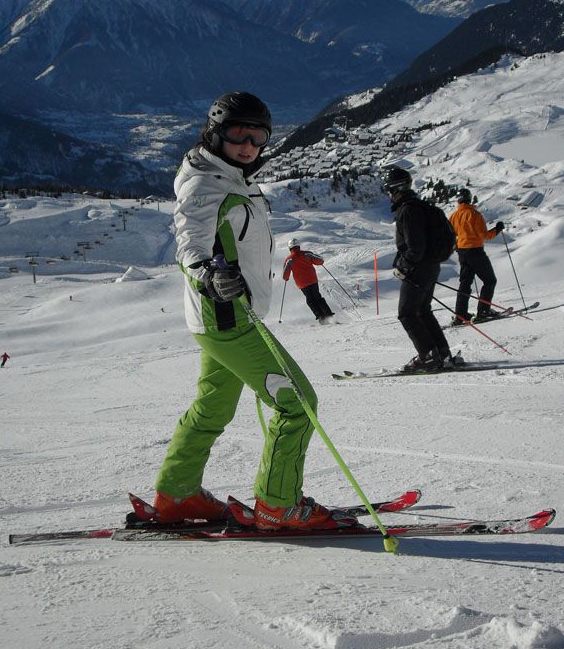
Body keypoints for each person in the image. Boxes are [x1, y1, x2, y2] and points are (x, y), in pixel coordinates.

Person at [144, 92, 355, 532]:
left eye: (257, 137)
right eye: (238, 134)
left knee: (211, 409)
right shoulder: (206, 183)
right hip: (227, 317)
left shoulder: (232, 176)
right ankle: (278, 504)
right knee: (297, 404)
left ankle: (177, 494)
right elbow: (189, 243)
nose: (248, 145)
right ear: (216, 132)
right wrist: (206, 274)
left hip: (219, 318)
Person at [385, 167, 459, 372]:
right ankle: (441, 352)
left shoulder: (408, 210)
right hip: (430, 265)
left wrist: (404, 266)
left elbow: (415, 247)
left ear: (395, 189)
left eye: (388, 190)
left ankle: (427, 355)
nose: (388, 195)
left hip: (419, 267)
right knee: (422, 310)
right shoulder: (418, 206)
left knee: (407, 313)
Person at [449, 188, 504, 324]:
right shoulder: (474, 214)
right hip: (475, 251)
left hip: (462, 252)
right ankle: (483, 312)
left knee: (465, 283)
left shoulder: (454, 216)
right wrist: (497, 229)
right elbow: (483, 235)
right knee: (490, 280)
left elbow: (451, 234)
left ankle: (460, 315)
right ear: (469, 198)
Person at [282, 239, 335, 324]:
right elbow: (320, 261)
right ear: (298, 246)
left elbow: (285, 276)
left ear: (289, 248)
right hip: (312, 280)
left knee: (310, 300)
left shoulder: (289, 259)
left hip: (302, 284)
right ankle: (329, 316)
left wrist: (286, 278)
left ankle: (321, 317)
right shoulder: (306, 254)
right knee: (317, 297)